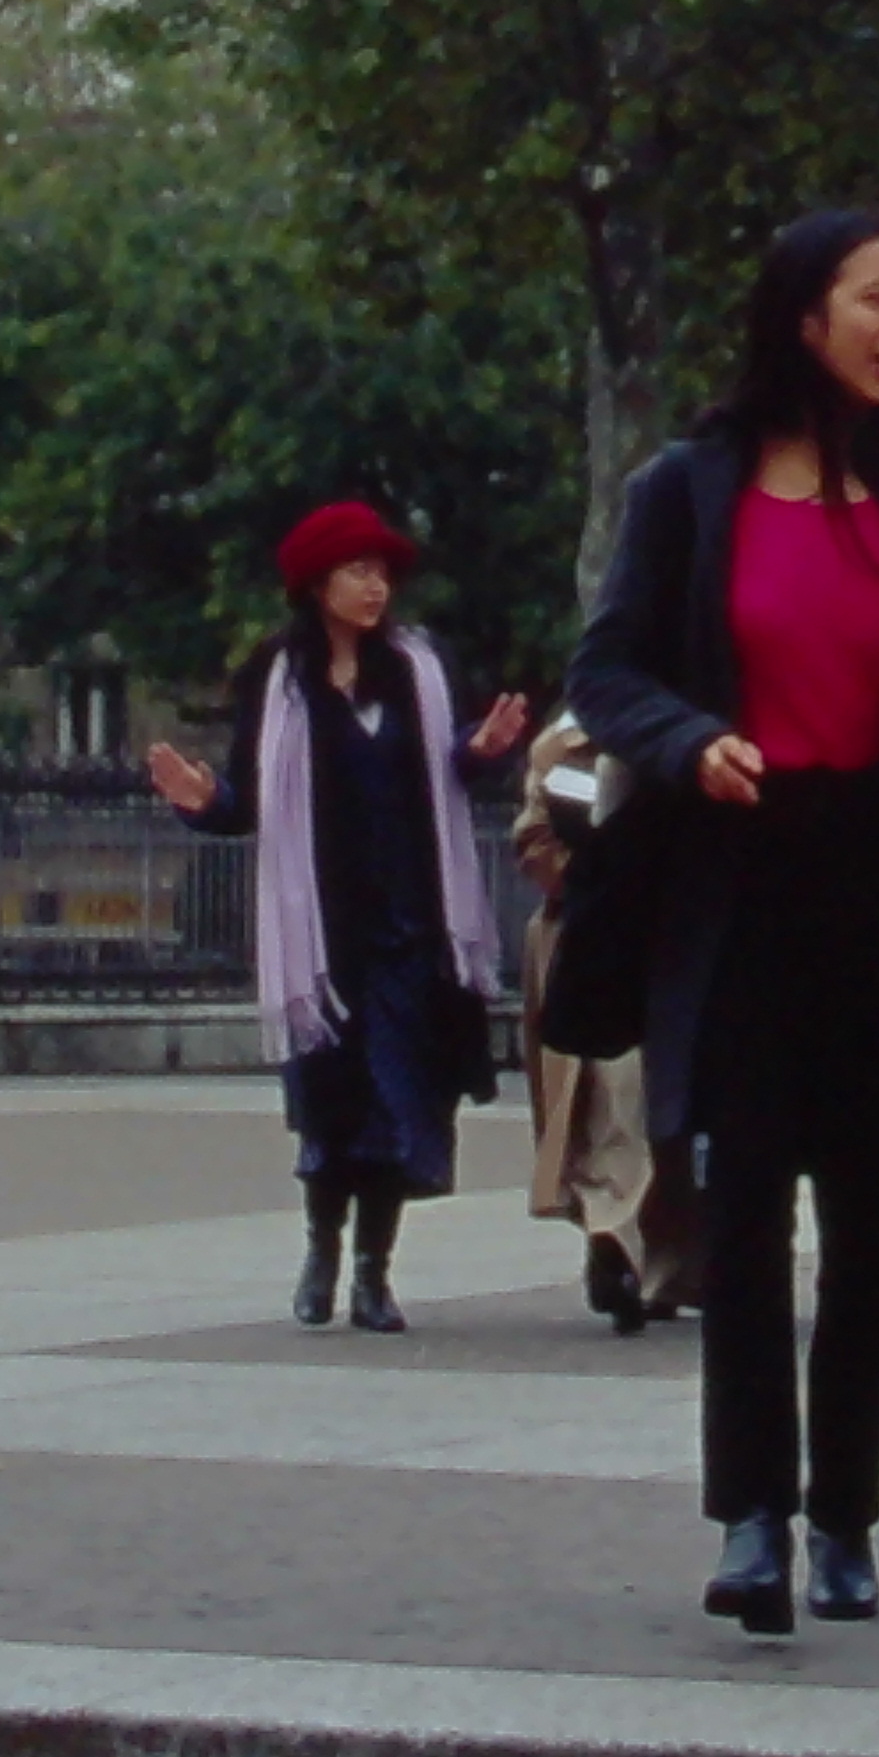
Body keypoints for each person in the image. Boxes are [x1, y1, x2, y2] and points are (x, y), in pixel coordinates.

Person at [567, 207, 879, 1640]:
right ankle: (752, 1521)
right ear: (804, 317)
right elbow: (608, 668)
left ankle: (847, 1521)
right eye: (877, 298)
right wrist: (692, 736)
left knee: (875, 1232)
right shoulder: (686, 492)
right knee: (746, 1214)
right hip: (744, 878)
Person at [148, 501, 531, 1330]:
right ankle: (322, 1251)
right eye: (359, 571)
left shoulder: (421, 669)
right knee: (333, 1106)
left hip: (408, 929)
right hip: (323, 939)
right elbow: (250, 800)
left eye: (383, 572)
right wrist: (203, 800)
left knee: (397, 1109)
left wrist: (483, 751)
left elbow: (445, 771)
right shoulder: (278, 680)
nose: (375, 586)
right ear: (318, 585)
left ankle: (373, 1275)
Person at [513, 715, 701, 1332]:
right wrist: (591, 876)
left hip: (684, 940)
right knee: (612, 1104)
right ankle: (612, 1241)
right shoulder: (563, 745)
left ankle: (671, 1263)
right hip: (598, 943)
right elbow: (534, 840)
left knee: (676, 1110)